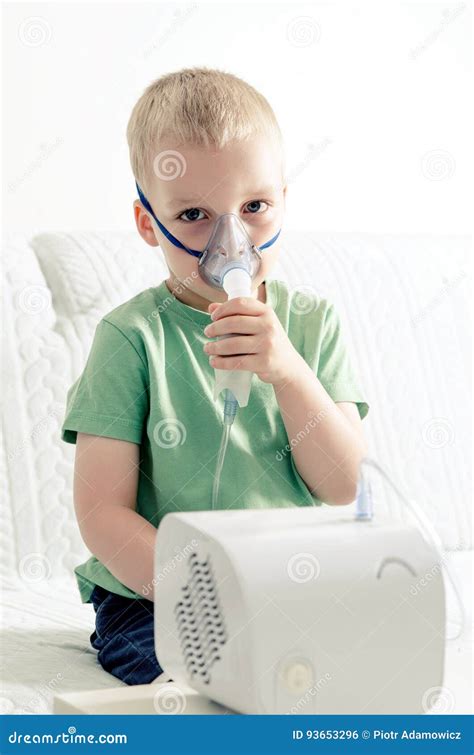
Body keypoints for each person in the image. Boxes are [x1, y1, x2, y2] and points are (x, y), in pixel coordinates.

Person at [61, 67, 369, 685]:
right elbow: (102, 513)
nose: (232, 240)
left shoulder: (311, 326)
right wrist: (204, 593)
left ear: (283, 200)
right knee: (207, 675)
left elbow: (343, 485)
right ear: (150, 223)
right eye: (196, 214)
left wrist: (287, 372)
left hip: (287, 582)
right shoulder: (132, 339)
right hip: (152, 595)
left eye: (253, 207)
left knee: (358, 668)